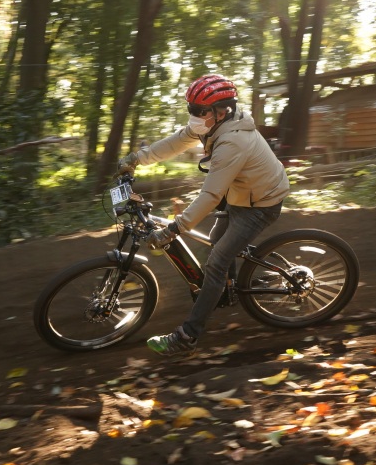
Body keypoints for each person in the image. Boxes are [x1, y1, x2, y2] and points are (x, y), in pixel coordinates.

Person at [118, 74, 290, 357]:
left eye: (200, 111)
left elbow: (210, 196)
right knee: (216, 237)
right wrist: (137, 158)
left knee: (216, 263)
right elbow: (175, 142)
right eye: (191, 110)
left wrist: (174, 229)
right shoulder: (212, 126)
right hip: (241, 192)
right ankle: (228, 287)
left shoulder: (232, 141)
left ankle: (187, 336)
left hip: (261, 203)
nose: (194, 117)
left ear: (222, 111)